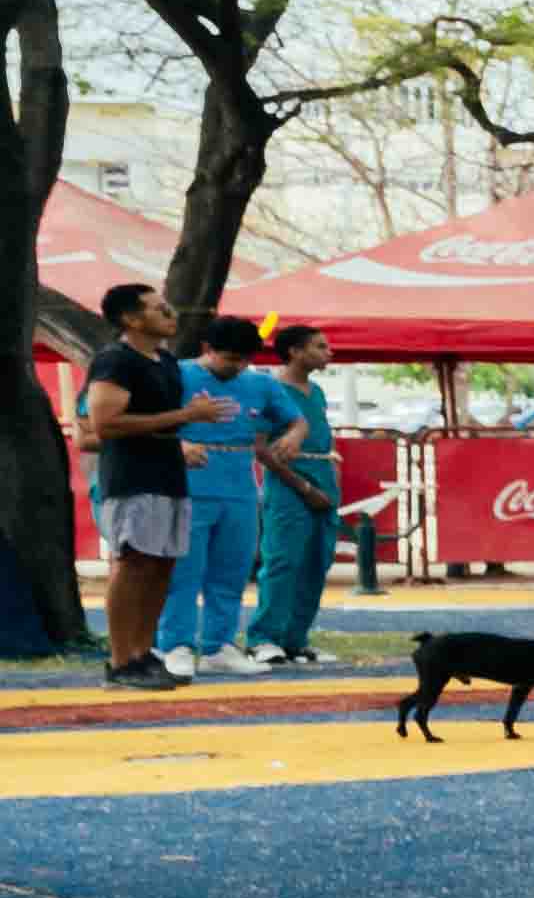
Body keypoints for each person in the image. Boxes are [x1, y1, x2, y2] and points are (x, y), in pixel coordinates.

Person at [77, 283, 196, 686]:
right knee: (133, 565)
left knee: (161, 566)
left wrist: (185, 427)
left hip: (168, 475)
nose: (170, 314)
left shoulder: (165, 361)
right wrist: (183, 415)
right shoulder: (115, 360)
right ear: (130, 318)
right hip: (132, 478)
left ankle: (144, 655)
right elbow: (104, 425)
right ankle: (121, 661)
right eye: (159, 308)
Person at [162, 316, 274, 673]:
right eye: (230, 359)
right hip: (189, 486)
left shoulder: (258, 383)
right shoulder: (176, 375)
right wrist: (179, 444)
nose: (238, 367)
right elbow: (149, 422)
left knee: (231, 570)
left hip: (240, 488)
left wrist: (293, 435)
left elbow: (293, 419)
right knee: (184, 570)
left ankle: (218, 647)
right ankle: (175, 645)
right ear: (207, 349)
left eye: (245, 360)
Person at [241, 325, 343, 666]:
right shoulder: (270, 390)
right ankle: (263, 638)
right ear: (295, 352)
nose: (329, 352)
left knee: (317, 561)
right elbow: (261, 448)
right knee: (283, 561)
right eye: (320, 346)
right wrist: (304, 487)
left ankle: (296, 639)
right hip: (289, 485)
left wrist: (327, 484)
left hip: (324, 479)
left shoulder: (317, 392)